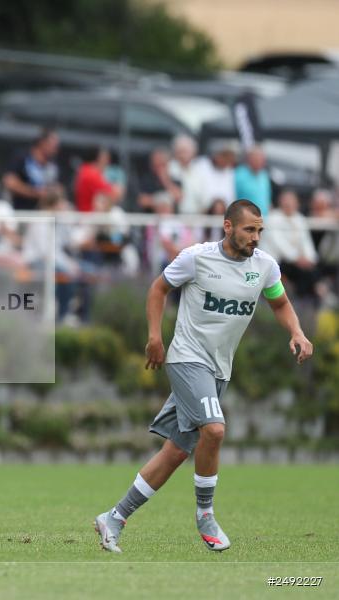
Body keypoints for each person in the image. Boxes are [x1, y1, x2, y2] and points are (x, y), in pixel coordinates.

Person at [94, 200, 313, 554]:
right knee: (214, 429)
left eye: (260, 230)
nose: (256, 237)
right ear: (228, 227)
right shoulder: (196, 257)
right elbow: (157, 288)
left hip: (218, 368)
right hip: (186, 359)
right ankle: (205, 514)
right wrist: (154, 336)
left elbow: (280, 303)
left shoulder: (265, 267)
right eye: (249, 229)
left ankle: (114, 518)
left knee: (176, 452)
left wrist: (297, 333)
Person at [260, 189, 320, 302]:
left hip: (294, 262)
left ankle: (305, 303)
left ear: (297, 203)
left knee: (311, 271)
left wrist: (310, 259)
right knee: (305, 275)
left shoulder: (300, 219)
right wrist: (298, 259)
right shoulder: (272, 218)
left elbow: (306, 243)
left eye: (291, 201)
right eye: (286, 200)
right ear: (280, 202)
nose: (288, 204)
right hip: (275, 262)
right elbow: (279, 244)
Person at [3, 129, 60, 211]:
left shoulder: (53, 163)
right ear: (42, 142)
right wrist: (34, 192)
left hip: (44, 211)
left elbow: (56, 186)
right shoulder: (22, 157)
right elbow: (9, 182)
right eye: (53, 146)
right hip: (20, 210)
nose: (55, 150)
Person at [181, 141, 237, 214]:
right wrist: (212, 204)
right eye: (224, 156)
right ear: (217, 155)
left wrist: (221, 203)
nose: (226, 161)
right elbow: (195, 189)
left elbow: (230, 196)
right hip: (199, 211)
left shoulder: (230, 172)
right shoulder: (201, 165)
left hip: (223, 213)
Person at [74, 147, 122, 213]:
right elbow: (114, 194)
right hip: (89, 216)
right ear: (98, 159)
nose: (107, 163)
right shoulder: (90, 173)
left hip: (87, 214)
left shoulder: (84, 170)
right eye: (105, 159)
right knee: (117, 213)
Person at [138, 148, 182, 213]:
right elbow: (142, 201)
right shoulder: (147, 180)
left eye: (162, 164)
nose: (158, 168)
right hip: (151, 219)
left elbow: (178, 197)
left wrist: (165, 180)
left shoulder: (175, 179)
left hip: (172, 220)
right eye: (155, 165)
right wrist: (159, 201)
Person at [234, 146, 271, 217]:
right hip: (244, 219)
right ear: (249, 159)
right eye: (256, 158)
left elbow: (267, 198)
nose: (259, 161)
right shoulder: (239, 174)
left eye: (261, 159)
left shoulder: (264, 175)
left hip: (262, 219)